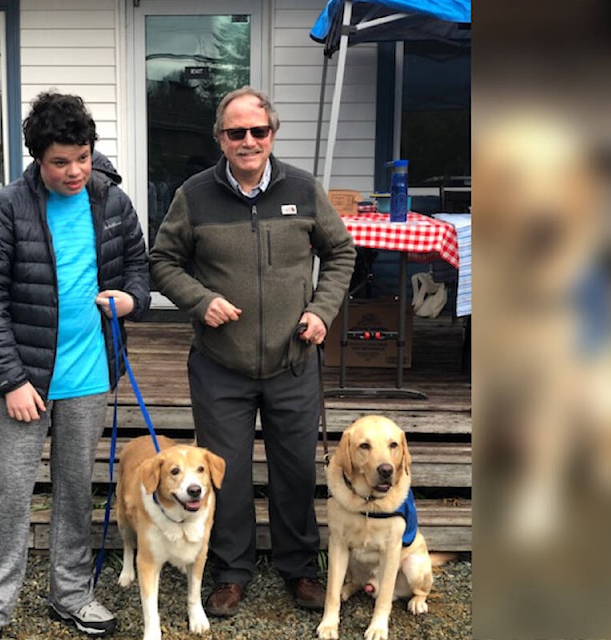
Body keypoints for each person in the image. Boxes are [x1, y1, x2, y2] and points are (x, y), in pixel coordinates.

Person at [149, 86, 356, 617]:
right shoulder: (193, 196)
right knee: (226, 473)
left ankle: (299, 568)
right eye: (235, 132)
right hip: (222, 365)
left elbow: (341, 253)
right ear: (219, 138)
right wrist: (200, 300)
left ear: (272, 134)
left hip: (293, 360)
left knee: (294, 471)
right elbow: (163, 262)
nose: (247, 141)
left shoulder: (305, 189)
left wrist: (322, 310)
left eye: (257, 131)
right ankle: (231, 570)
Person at [0, 92, 150, 640]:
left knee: (74, 491)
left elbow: (138, 266)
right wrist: (11, 380)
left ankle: (70, 595)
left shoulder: (112, 202)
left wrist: (133, 299)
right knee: (11, 496)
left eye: (83, 157)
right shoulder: (5, 209)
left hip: (90, 377)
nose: (74, 171)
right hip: (27, 382)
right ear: (37, 158)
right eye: (60, 161)